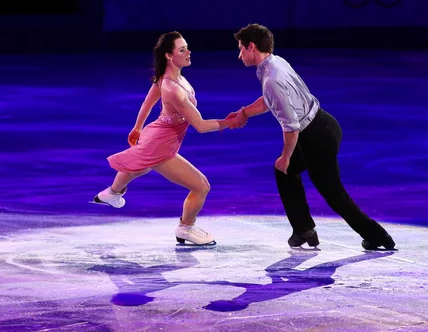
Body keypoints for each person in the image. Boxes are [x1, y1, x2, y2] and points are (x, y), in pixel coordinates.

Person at [227, 23, 395, 251]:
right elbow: (270, 101)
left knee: (332, 193)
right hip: (322, 124)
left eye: (241, 49)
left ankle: (378, 236)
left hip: (316, 137)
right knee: (283, 172)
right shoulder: (275, 63)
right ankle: (303, 229)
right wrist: (244, 112)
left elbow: (291, 127)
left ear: (252, 47)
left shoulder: (272, 79)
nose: (239, 55)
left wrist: (286, 157)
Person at [93, 31, 241, 246]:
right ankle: (185, 228)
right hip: (162, 144)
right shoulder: (172, 88)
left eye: (187, 47)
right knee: (201, 186)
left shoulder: (169, 78)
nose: (189, 52)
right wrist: (230, 122)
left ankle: (112, 193)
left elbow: (147, 103)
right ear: (169, 56)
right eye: (182, 50)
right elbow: (200, 125)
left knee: (140, 163)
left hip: (157, 137)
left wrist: (137, 128)